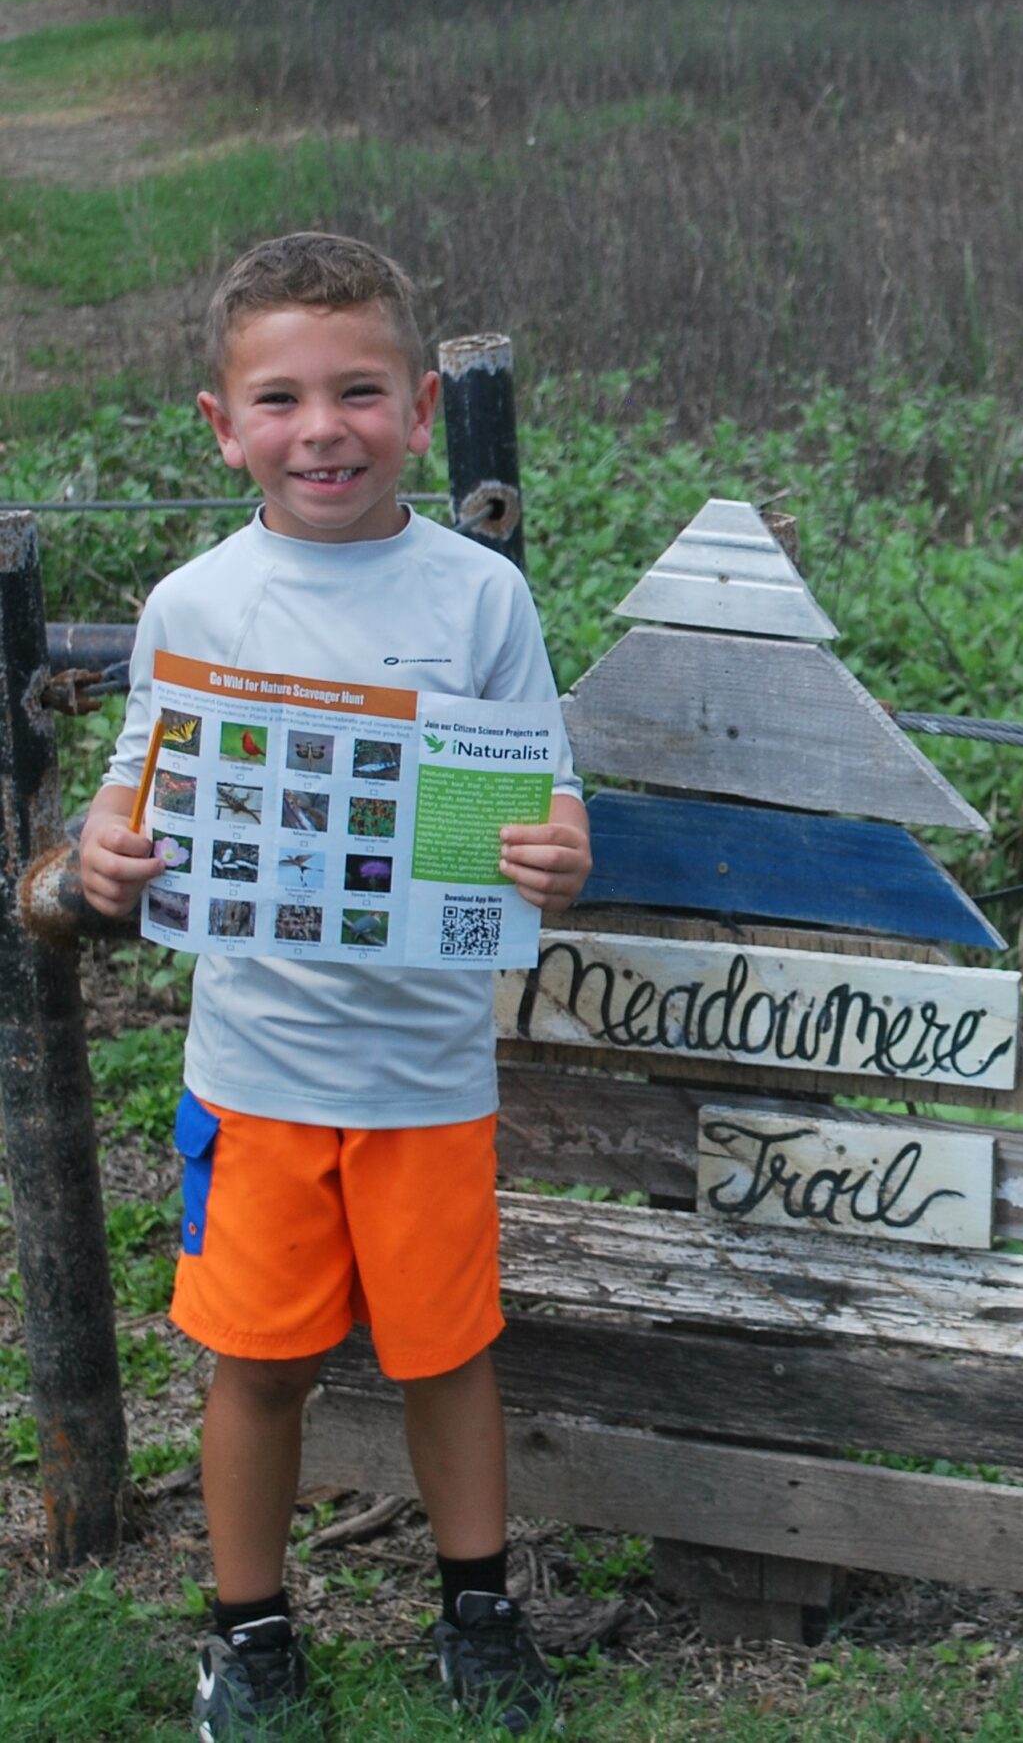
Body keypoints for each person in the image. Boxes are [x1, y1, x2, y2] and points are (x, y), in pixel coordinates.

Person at [76, 233, 592, 1740]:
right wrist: (109, 854)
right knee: (260, 1359)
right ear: (220, 424)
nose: (324, 428)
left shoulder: (479, 598)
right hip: (256, 1069)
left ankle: (480, 1612)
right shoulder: (196, 605)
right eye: (283, 397)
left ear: (423, 408)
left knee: (449, 1352)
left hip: (429, 1070)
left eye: (359, 391)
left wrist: (555, 857)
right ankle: (251, 1634)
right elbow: (134, 790)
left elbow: (541, 807)